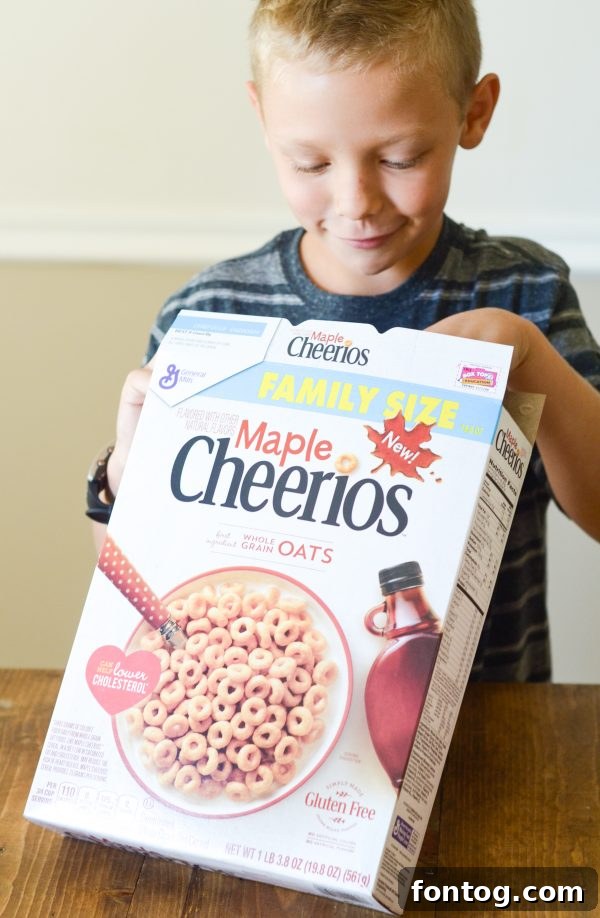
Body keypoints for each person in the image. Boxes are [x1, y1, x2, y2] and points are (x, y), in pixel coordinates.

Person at [88, 0, 600, 681]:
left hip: (495, 735)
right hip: (278, 721)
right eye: (310, 163)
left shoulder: (522, 292)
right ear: (263, 119)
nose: (356, 199)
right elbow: (139, 587)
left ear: (473, 113)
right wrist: (124, 469)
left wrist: (528, 356)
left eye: (400, 156)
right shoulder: (214, 315)